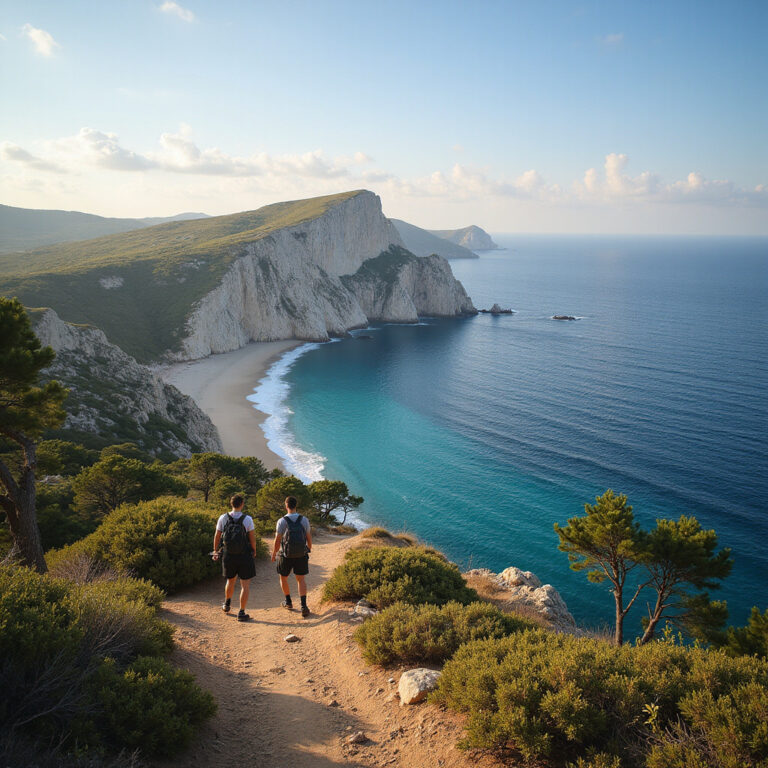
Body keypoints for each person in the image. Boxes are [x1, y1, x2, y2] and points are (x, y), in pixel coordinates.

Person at [213, 494, 258, 622]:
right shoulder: (248, 519)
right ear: (242, 504)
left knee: (230, 581)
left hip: (228, 555)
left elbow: (217, 536)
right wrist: (254, 550)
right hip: (244, 555)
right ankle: (242, 612)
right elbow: (252, 538)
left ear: (231, 504)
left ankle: (227, 604)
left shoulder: (223, 518)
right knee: (245, 585)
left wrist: (215, 551)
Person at [271, 495, 312, 618]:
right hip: (301, 554)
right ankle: (304, 606)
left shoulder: (282, 521)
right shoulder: (304, 520)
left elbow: (277, 540)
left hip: (286, 555)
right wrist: (308, 549)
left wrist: (274, 553)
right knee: (301, 579)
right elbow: (309, 537)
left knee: (283, 578)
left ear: (286, 506)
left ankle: (288, 602)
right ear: (296, 505)